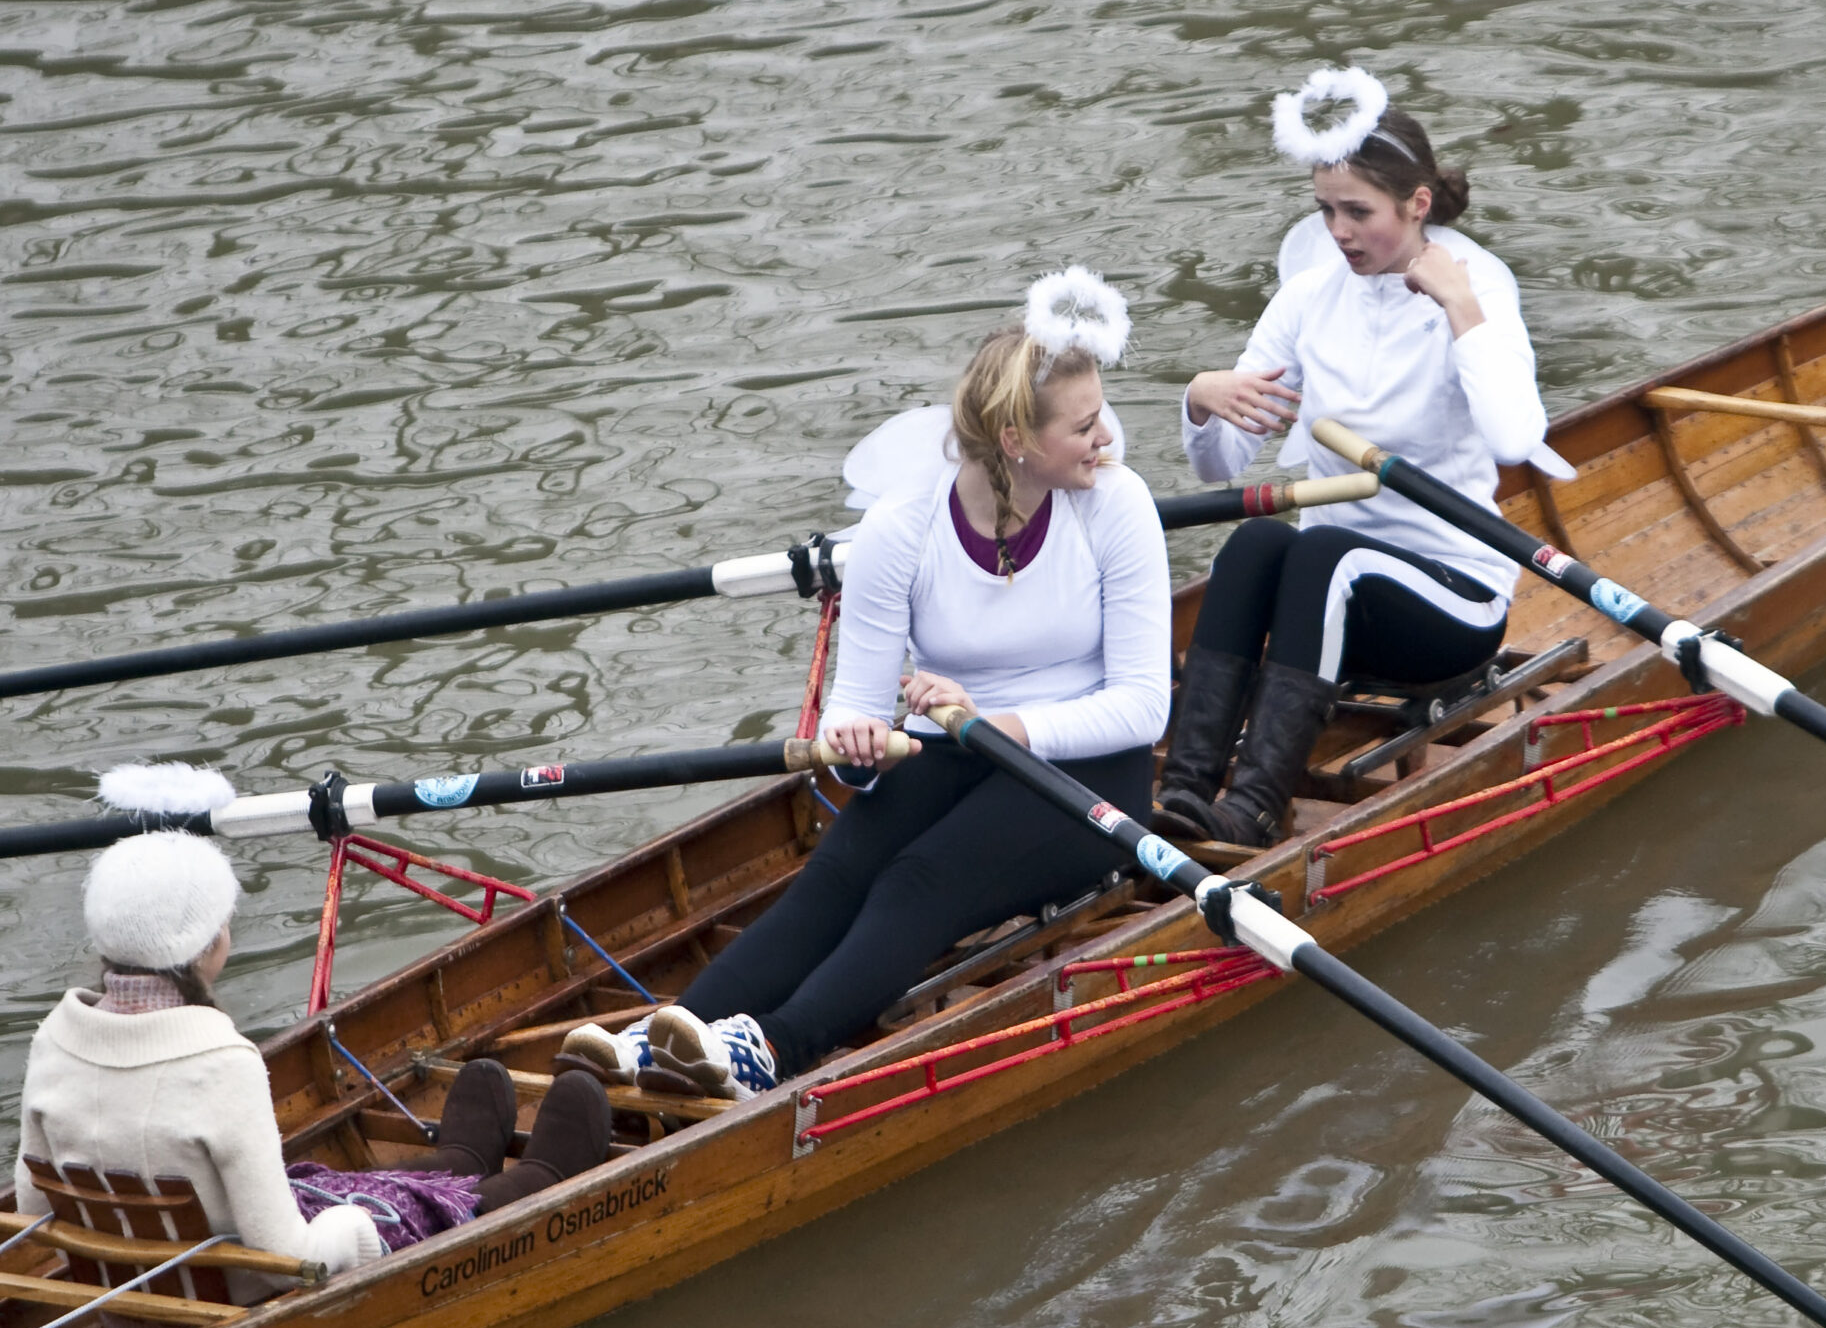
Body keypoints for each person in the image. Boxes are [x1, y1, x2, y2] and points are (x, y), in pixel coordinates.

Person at [563, 270, 1171, 1098]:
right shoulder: (901, 529)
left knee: (922, 877)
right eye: (1086, 424)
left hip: (1092, 770)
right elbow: (856, 707)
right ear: (1015, 438)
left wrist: (991, 720)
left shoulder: (1117, 505)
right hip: (959, 745)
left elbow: (1144, 705)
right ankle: (671, 1035)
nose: (1108, 436)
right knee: (842, 868)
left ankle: (774, 1049)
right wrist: (855, 752)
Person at [1155, 66, 1574, 847]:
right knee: (1257, 540)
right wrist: (1201, 399)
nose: (1338, 233)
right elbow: (1221, 468)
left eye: (1358, 212)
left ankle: (1252, 809)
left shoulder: (1478, 285)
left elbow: (1518, 438)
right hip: (1337, 600)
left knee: (1324, 554)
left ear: (1418, 206)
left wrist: (1459, 308)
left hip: (1453, 596)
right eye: (1324, 211)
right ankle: (1183, 788)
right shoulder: (1310, 298)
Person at [10, 832, 611, 1299]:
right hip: (238, 1293)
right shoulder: (219, 1062)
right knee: (355, 1213)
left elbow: (36, 1210)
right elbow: (287, 1258)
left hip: (123, 1304)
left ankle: (461, 1164)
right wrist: (355, 1230)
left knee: (322, 1185)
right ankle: (538, 1177)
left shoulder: (54, 1041)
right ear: (206, 946)